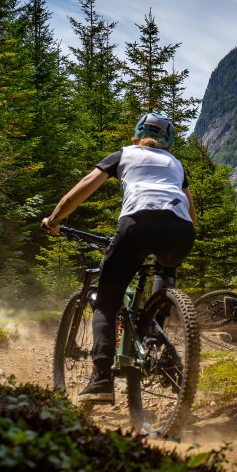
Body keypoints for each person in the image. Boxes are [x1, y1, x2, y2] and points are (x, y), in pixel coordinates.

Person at [42, 112, 196, 402]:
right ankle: (153, 332)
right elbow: (191, 212)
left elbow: (82, 189)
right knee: (163, 275)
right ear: (169, 140)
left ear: (138, 133)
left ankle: (101, 379)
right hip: (180, 230)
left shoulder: (124, 154)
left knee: (107, 301)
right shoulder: (176, 164)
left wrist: (54, 219)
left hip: (137, 223)